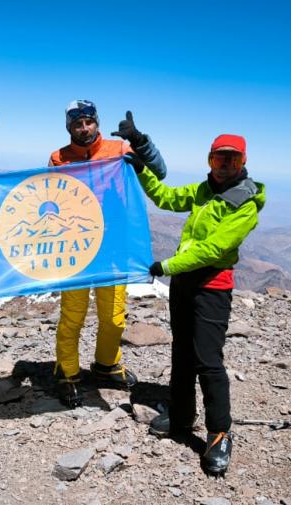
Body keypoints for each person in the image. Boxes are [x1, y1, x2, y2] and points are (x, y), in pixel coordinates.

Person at [126, 133, 265, 475]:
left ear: (243, 162)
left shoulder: (245, 204)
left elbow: (214, 249)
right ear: (210, 160)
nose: (225, 165)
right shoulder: (204, 190)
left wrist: (167, 266)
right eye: (219, 158)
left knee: (208, 360)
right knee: (182, 353)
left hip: (212, 286)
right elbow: (166, 197)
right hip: (184, 284)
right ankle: (181, 415)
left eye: (232, 159)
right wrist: (143, 169)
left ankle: (219, 434)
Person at [49, 100, 168, 408]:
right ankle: (67, 372)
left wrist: (140, 140)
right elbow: (48, 196)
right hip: (75, 247)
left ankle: (106, 364)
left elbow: (160, 171)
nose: (83, 128)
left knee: (113, 316)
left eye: (88, 122)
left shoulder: (118, 149)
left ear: (96, 123)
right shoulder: (58, 158)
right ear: (69, 127)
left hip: (113, 246)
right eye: (77, 124)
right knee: (73, 315)